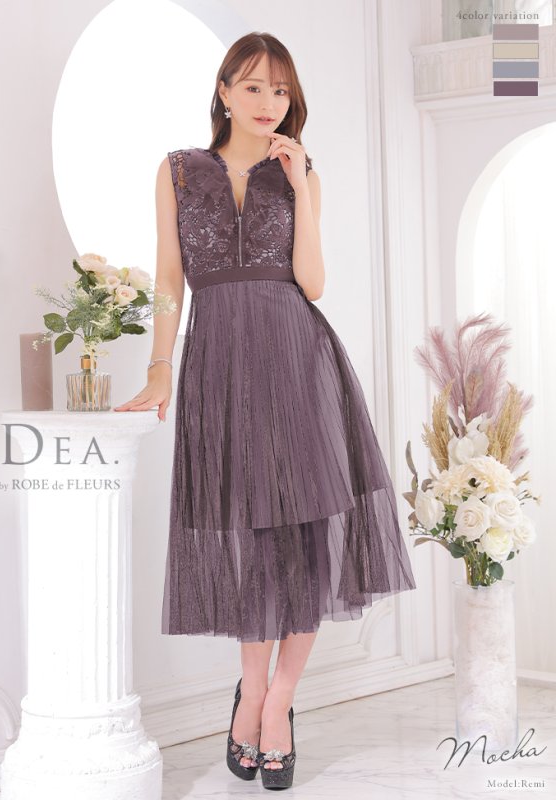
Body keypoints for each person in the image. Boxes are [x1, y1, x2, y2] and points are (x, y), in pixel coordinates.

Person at [114, 31, 416, 790]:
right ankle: (250, 692)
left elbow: (312, 283)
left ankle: (277, 701)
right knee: (249, 534)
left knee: (307, 534)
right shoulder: (178, 171)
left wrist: (301, 186)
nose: (268, 102)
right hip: (219, 362)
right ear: (223, 92)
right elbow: (170, 279)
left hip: (297, 356)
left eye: (280, 90)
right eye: (253, 87)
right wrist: (159, 369)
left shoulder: (301, 172)